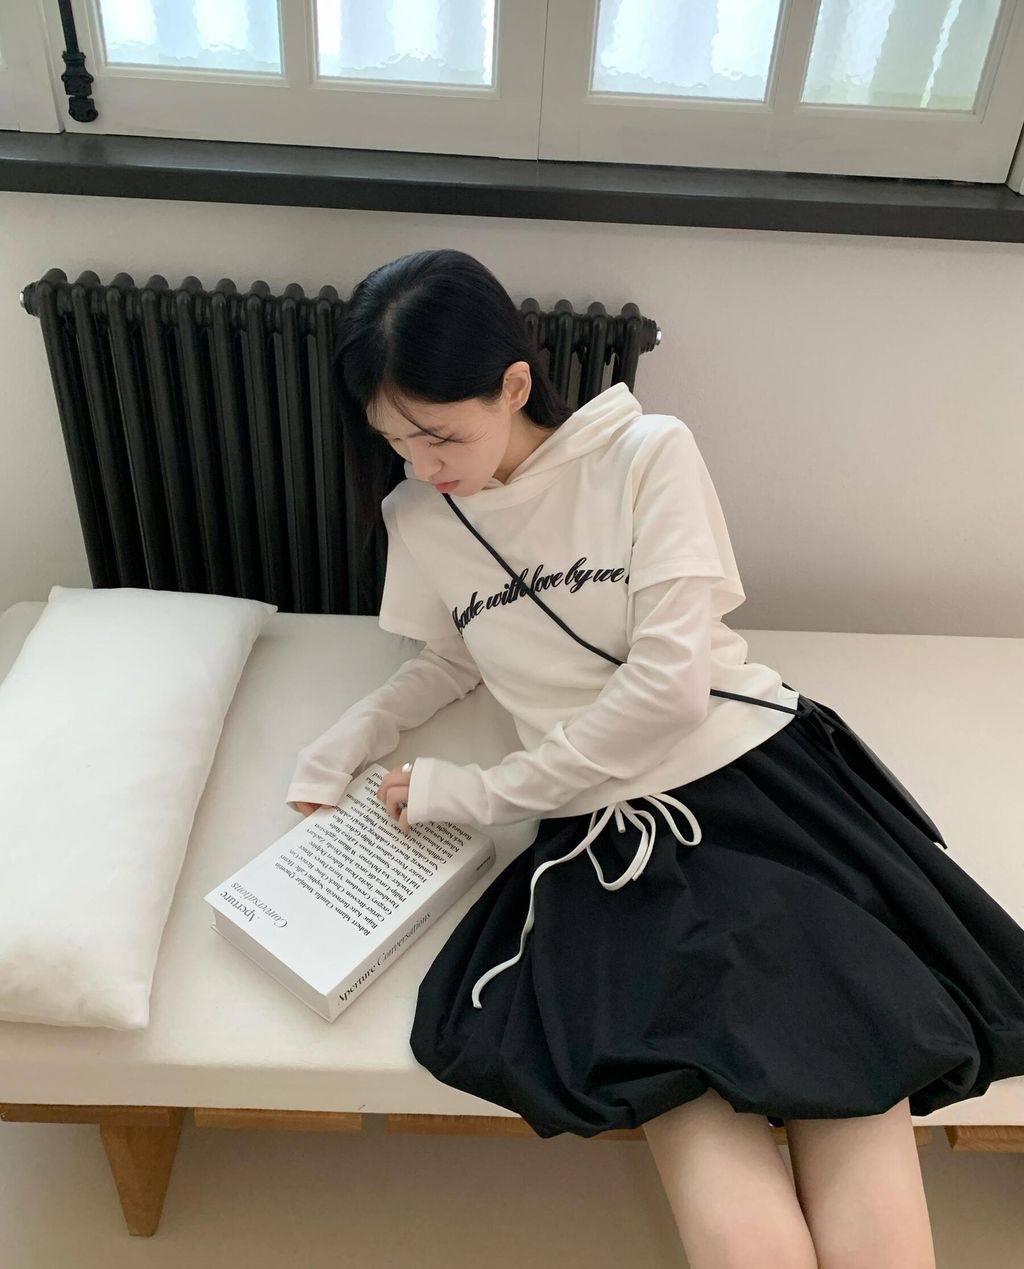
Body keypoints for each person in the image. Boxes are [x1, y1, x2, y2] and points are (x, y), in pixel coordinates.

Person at [286, 247, 1024, 1268]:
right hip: (609, 834)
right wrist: (346, 745)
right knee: (684, 1087)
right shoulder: (420, 513)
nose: (421, 463)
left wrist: (483, 791)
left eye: (440, 433)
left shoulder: (645, 453)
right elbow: (455, 656)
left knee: (852, 1066)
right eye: (393, 439)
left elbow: (670, 687)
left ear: (513, 384)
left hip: (756, 783)